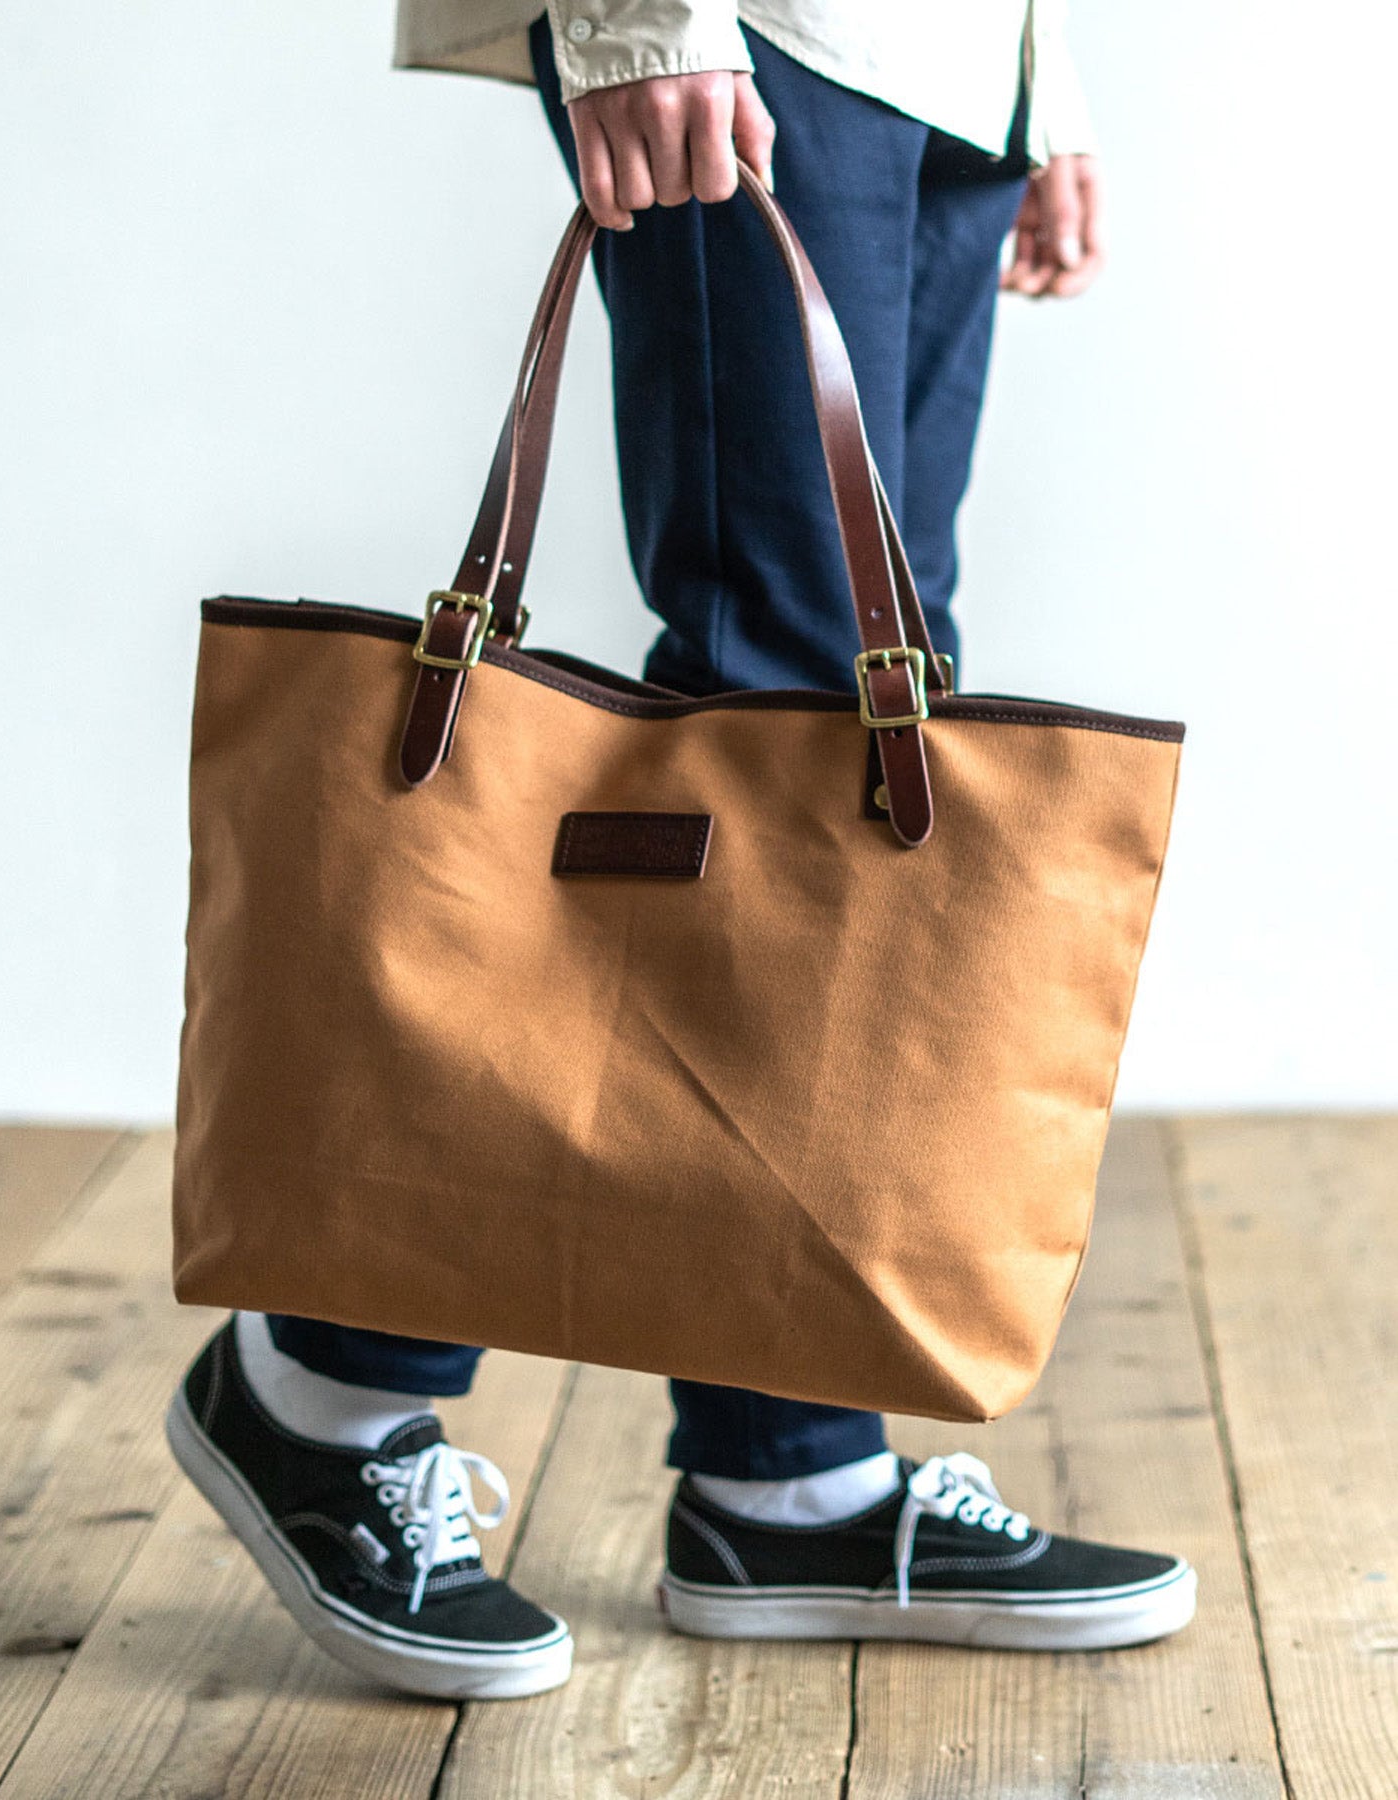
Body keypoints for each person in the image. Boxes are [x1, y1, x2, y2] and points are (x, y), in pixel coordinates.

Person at [165, 1, 1196, 1701]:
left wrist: (1036, 74)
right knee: (780, 678)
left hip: (943, 56)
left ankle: (789, 1476)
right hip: (759, 29)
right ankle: (318, 1388)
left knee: (870, 704)